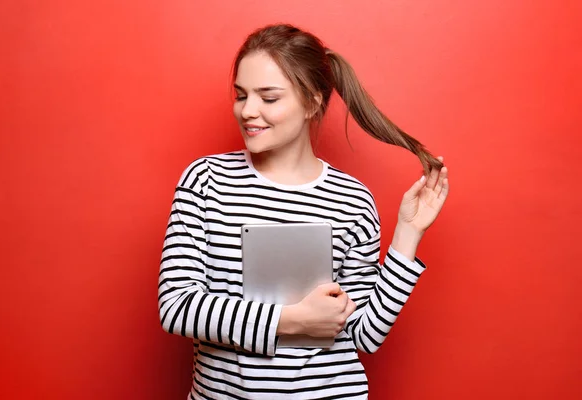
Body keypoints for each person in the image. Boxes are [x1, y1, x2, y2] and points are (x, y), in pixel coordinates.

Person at [158, 23, 449, 400]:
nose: (248, 111)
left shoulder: (352, 200)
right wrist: (291, 321)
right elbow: (177, 307)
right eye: (241, 95)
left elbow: (364, 333)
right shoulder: (206, 181)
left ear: (312, 102)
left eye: (269, 97)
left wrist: (408, 235)